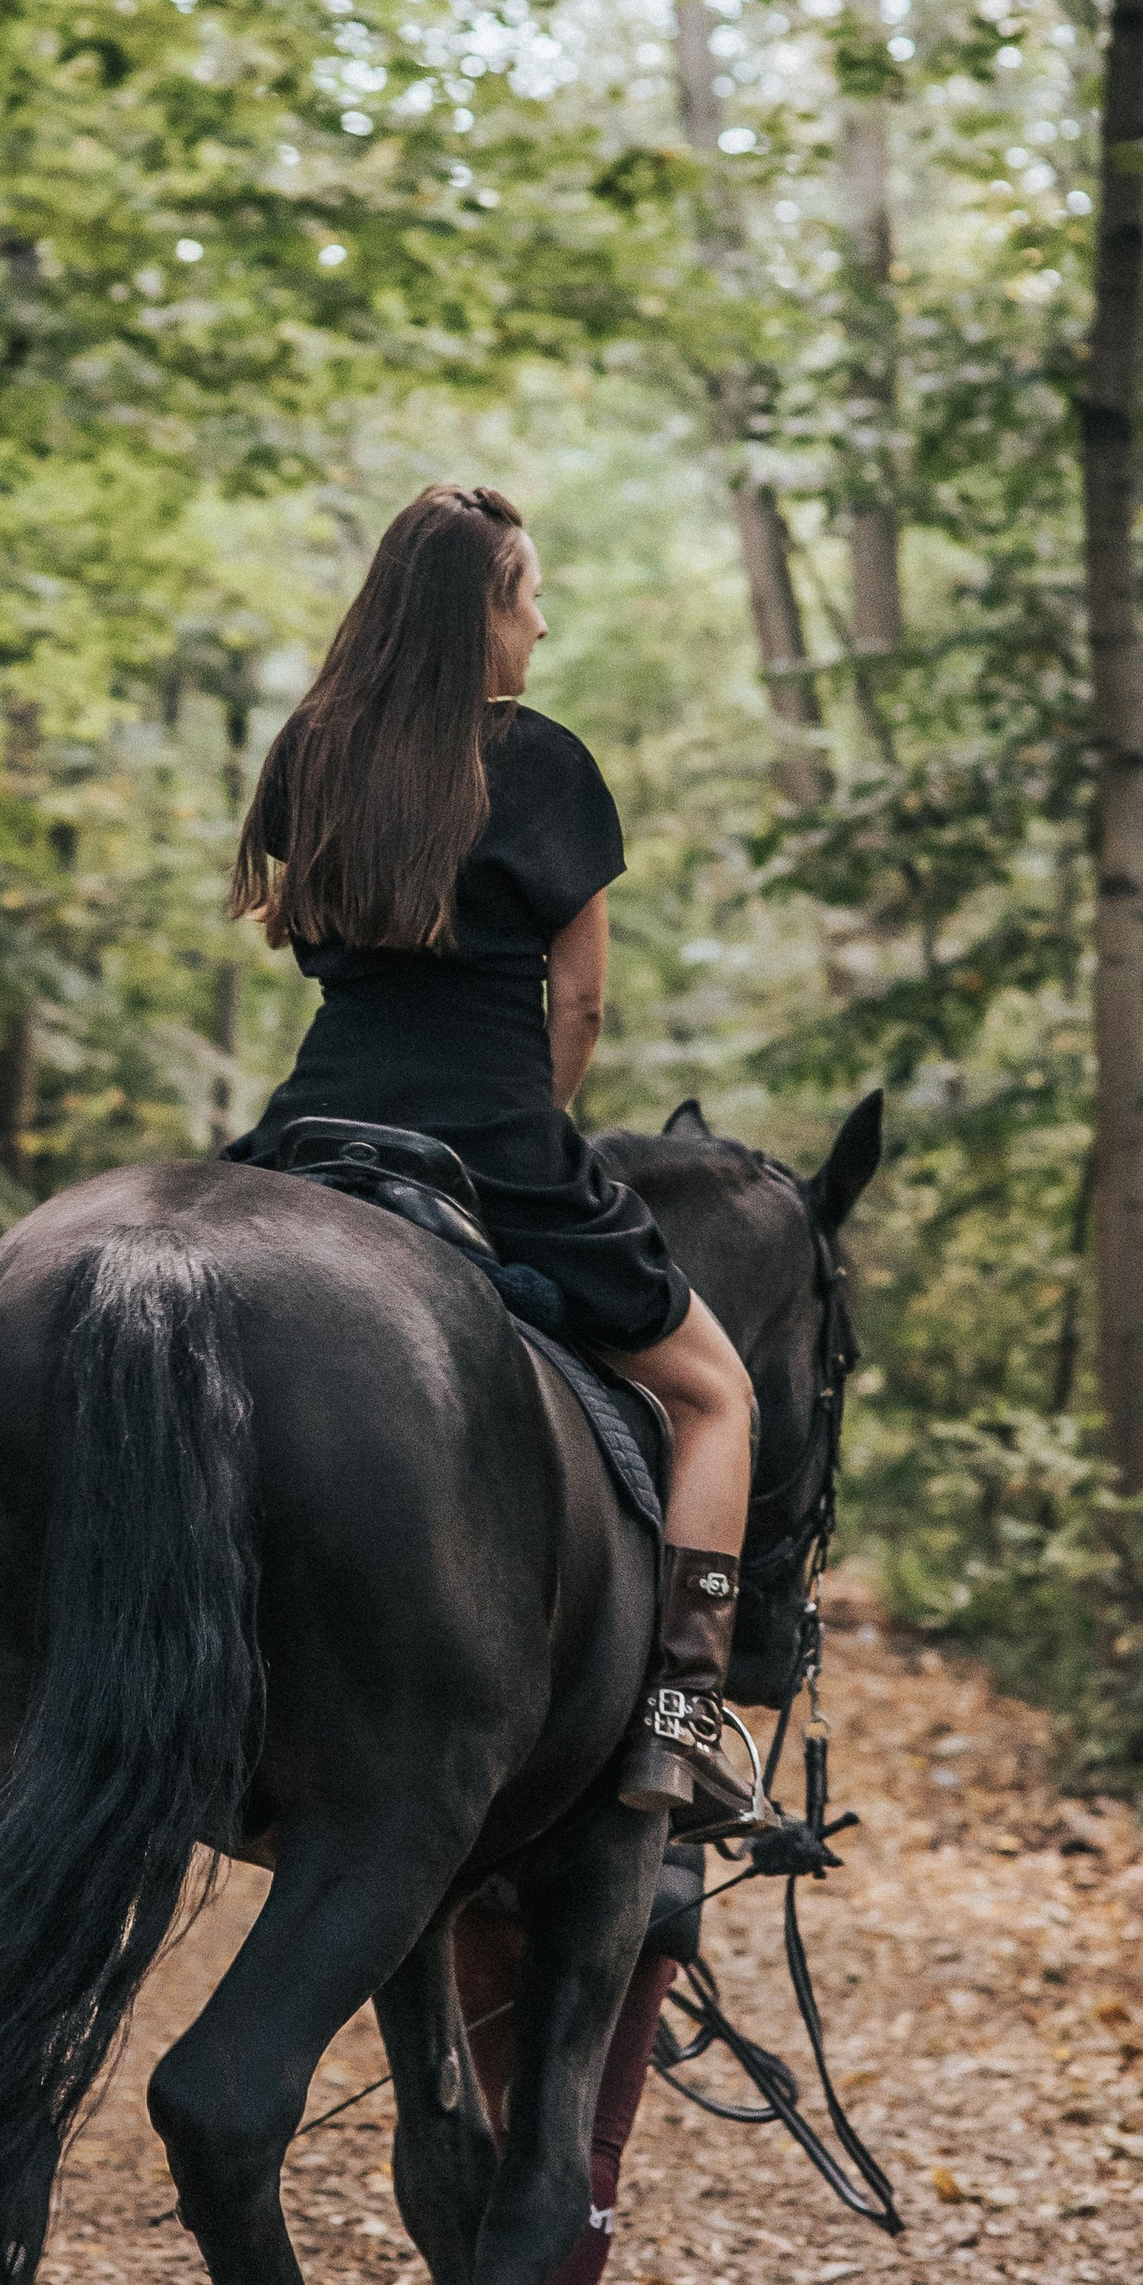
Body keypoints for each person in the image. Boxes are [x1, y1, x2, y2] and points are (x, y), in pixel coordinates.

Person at [226, 479, 757, 1838]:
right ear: (482, 612)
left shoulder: (312, 751)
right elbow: (577, 1004)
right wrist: (537, 1119)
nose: (543, 625)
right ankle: (684, 1722)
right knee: (716, 1400)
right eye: (529, 597)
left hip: (315, 1126)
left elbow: (311, 930)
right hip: (493, 1135)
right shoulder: (543, 762)